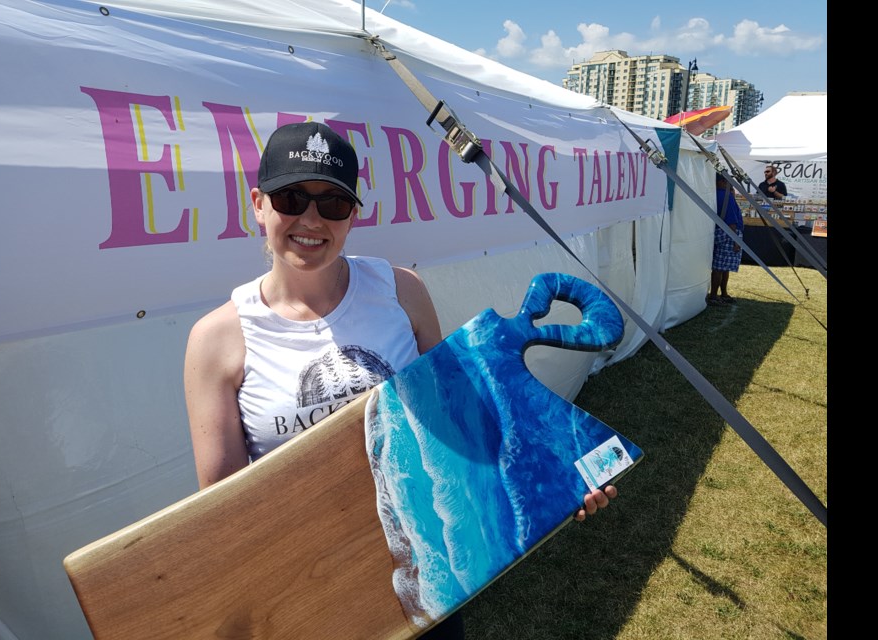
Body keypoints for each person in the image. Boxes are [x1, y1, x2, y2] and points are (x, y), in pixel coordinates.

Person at [183, 121, 617, 638]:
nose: (311, 218)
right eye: (291, 197)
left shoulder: (400, 290)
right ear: (258, 203)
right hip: (317, 588)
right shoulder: (216, 340)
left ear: (354, 215)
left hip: (427, 568)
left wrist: (554, 478)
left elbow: (456, 422)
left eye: (333, 204)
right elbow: (223, 506)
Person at [708, 173, 745, 305]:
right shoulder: (725, 195)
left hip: (722, 231)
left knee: (721, 266)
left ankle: (721, 293)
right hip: (730, 232)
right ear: (722, 182)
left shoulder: (714, 194)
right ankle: (715, 295)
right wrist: (736, 240)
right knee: (721, 267)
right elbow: (732, 220)